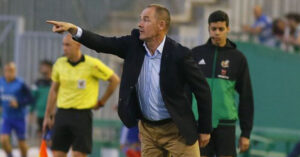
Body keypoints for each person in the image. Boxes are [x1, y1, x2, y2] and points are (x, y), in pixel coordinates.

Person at [47, 4, 212, 157]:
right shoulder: (133, 45)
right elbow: (103, 43)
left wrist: (205, 128)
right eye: (140, 19)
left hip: (177, 130)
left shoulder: (180, 54)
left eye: (146, 20)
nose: (140, 24)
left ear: (161, 25)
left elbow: (202, 90)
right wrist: (74, 30)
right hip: (148, 131)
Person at [43, 34, 120, 157]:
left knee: (79, 154)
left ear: (78, 45)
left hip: (82, 115)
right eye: (63, 44)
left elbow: (115, 80)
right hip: (62, 113)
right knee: (57, 153)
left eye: (68, 45)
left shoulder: (92, 64)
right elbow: (53, 90)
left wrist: (101, 102)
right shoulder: (59, 63)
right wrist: (48, 115)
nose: (64, 48)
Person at [192, 10, 254, 157]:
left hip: (225, 125)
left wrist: (246, 133)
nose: (217, 33)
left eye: (221, 29)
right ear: (208, 29)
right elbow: (185, 91)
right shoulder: (195, 54)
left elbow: (246, 97)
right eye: (214, 29)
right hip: (198, 124)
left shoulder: (238, 58)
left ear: (228, 29)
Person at [0, 62, 34, 157]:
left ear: (15, 71)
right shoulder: (1, 82)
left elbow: (30, 99)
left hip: (20, 118)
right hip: (7, 117)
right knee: (3, 139)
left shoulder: (20, 83)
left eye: (11, 71)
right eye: (6, 71)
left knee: (21, 144)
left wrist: (18, 103)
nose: (8, 73)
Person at [30, 60, 53, 137]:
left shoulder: (55, 82)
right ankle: (42, 149)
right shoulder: (37, 83)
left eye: (44, 66)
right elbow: (32, 98)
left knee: (52, 137)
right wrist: (31, 111)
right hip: (40, 113)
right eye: (41, 67)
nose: (42, 68)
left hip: (53, 114)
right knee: (41, 134)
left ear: (50, 68)